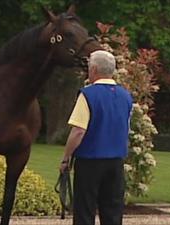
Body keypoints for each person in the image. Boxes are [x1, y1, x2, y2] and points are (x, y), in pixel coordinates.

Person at [59, 50, 133, 225]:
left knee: (85, 210)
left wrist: (66, 157)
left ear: (93, 69)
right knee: (113, 211)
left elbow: (78, 131)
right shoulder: (126, 96)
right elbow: (126, 128)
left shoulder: (88, 95)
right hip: (115, 161)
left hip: (90, 160)